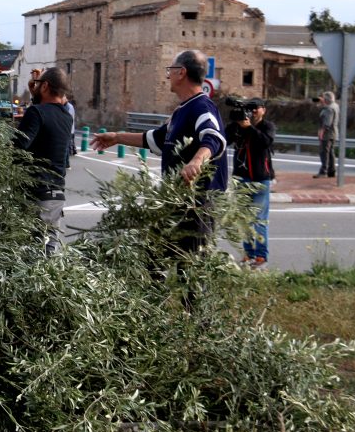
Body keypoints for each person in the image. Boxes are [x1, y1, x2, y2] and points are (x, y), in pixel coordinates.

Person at [89, 50, 229, 253]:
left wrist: (196, 161)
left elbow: (213, 137)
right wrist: (117, 137)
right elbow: (157, 139)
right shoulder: (182, 111)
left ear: (181, 73)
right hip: (174, 201)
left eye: (170, 70)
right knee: (153, 260)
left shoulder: (201, 106)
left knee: (189, 268)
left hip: (196, 205)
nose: (167, 76)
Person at [14, 67, 75, 253]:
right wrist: (36, 96)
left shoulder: (36, 113)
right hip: (56, 195)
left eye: (39, 84)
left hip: (35, 195)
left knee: (29, 255)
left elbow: (18, 148)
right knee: (47, 257)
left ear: (46, 86)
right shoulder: (66, 117)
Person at [225, 98, 276, 269]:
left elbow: (265, 142)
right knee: (244, 220)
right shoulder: (238, 126)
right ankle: (249, 255)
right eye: (250, 108)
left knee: (259, 219)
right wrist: (236, 125)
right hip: (241, 178)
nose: (252, 112)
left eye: (256, 108)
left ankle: (261, 257)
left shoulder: (267, 126)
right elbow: (225, 139)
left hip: (261, 179)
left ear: (264, 110)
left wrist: (249, 128)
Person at [316, 91, 339, 178]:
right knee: (330, 152)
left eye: (324, 98)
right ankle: (331, 171)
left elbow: (327, 123)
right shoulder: (335, 106)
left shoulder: (329, 109)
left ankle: (323, 171)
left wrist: (321, 132)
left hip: (327, 134)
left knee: (324, 152)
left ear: (326, 99)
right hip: (333, 133)